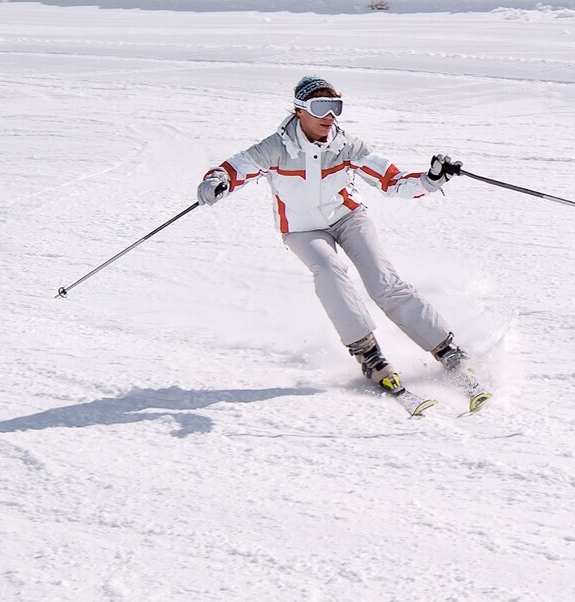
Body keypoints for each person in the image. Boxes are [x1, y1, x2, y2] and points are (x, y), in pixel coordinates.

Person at [196, 75, 472, 394]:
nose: (330, 116)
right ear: (300, 110)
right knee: (329, 271)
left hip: (347, 217)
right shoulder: (275, 148)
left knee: (383, 280)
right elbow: (235, 169)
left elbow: (392, 181)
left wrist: (431, 178)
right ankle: (368, 353)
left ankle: (446, 348)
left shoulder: (347, 145)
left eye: (336, 107)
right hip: (301, 229)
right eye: (320, 107)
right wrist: (216, 182)